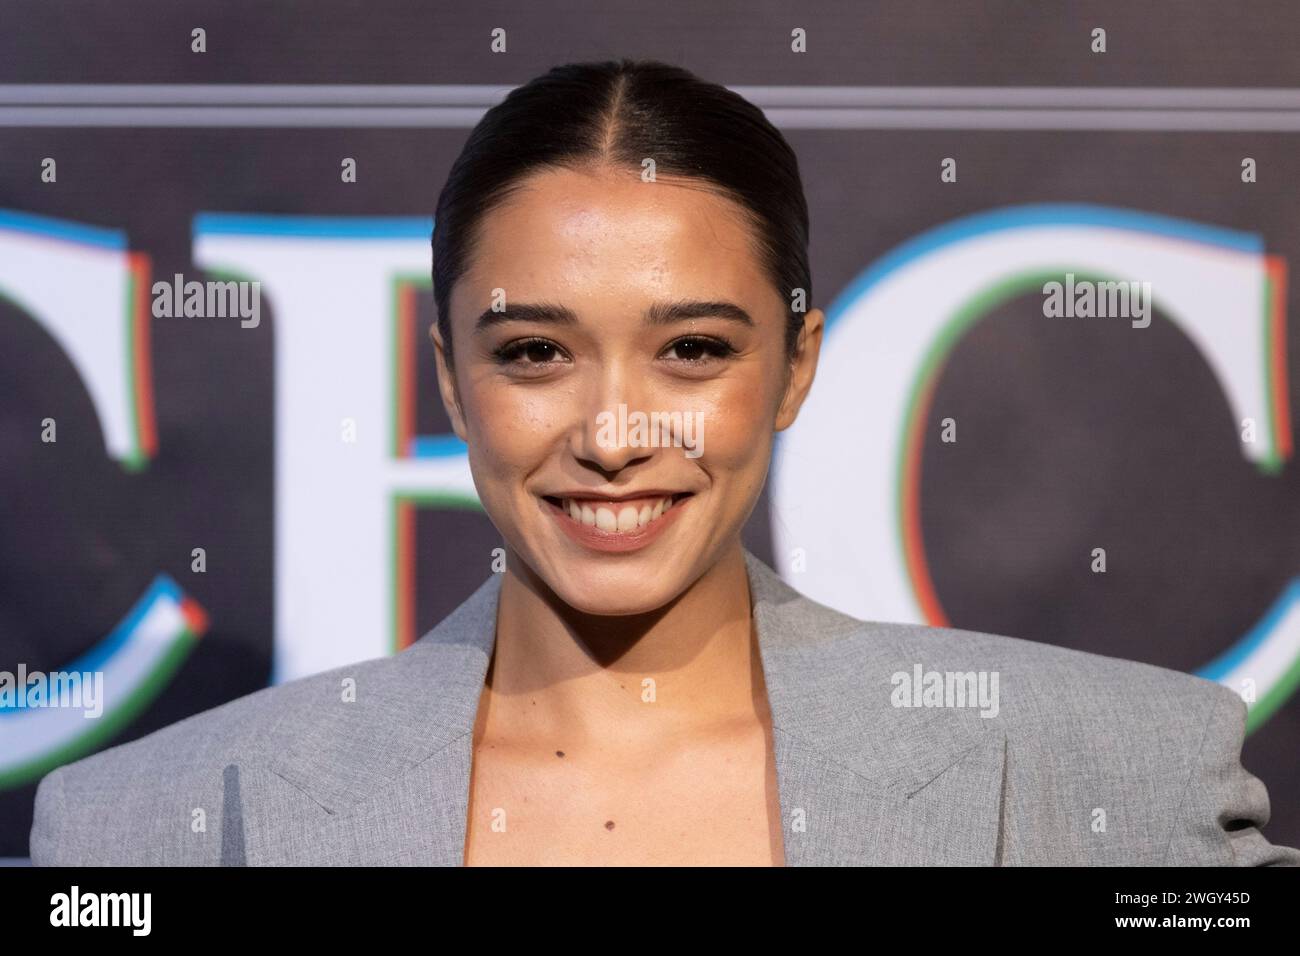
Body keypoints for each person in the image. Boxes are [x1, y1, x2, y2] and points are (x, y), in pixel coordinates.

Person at [30, 58, 1298, 866]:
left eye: (691, 349)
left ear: (794, 367)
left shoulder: (1122, 776)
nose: (614, 434)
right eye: (535, 352)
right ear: (450, 379)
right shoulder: (142, 828)